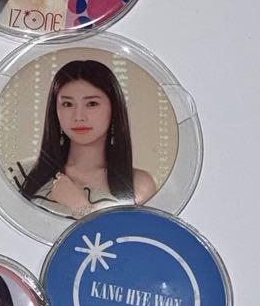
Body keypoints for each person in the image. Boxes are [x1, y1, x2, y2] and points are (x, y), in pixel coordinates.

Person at [10, 59, 156, 217]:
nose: (78, 116)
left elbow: (132, 234)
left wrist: (81, 207)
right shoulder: (22, 174)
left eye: (92, 104)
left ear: (114, 109)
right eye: (67, 104)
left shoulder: (139, 185)